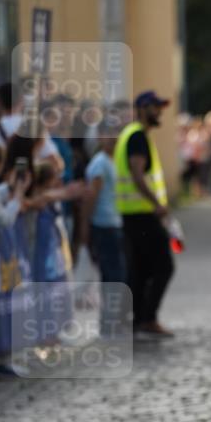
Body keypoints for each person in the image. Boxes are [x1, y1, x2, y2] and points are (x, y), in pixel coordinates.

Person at [114, 90, 174, 338]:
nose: (159, 111)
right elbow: (137, 174)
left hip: (133, 215)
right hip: (142, 214)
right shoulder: (137, 136)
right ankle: (146, 319)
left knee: (140, 269)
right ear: (142, 108)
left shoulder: (134, 135)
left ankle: (137, 321)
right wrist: (157, 204)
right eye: (155, 107)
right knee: (163, 267)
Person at [85, 120, 127, 337]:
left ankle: (113, 322)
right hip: (104, 226)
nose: (113, 138)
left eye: (115, 133)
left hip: (115, 224)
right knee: (113, 277)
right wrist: (85, 231)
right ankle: (109, 324)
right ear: (100, 136)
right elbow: (90, 198)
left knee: (117, 276)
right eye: (108, 133)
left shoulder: (115, 161)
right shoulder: (99, 164)